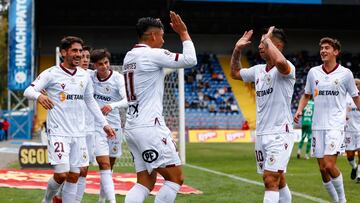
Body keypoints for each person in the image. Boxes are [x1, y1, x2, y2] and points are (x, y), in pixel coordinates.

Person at [23, 36, 116, 203]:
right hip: (59, 131)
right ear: (64, 52)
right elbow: (28, 91)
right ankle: (47, 200)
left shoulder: (84, 76)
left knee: (75, 175)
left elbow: (90, 100)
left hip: (79, 133)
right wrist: (39, 96)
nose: (79, 54)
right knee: (61, 173)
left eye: (80, 51)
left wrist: (104, 124)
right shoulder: (51, 73)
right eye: (74, 50)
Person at [122, 11, 197, 203]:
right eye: (162, 36)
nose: (163, 41)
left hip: (132, 127)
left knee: (145, 181)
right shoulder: (151, 54)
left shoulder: (129, 57)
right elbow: (191, 60)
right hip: (149, 127)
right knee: (175, 178)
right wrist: (184, 33)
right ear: (154, 35)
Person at [230, 26, 295, 203]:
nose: (260, 46)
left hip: (280, 133)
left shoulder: (288, 68)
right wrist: (237, 50)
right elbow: (234, 73)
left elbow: (281, 64)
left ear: (278, 46)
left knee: (270, 179)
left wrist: (267, 40)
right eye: (260, 42)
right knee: (278, 180)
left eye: (264, 42)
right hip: (261, 134)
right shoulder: (258, 70)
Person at [294, 37, 360, 203]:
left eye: (327, 48)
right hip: (317, 126)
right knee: (323, 169)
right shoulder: (313, 72)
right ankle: (335, 200)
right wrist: (299, 110)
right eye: (322, 48)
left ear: (335, 52)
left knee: (330, 165)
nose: (323, 50)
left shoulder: (346, 74)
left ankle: (342, 200)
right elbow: (306, 95)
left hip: (335, 126)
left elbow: (356, 97)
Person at [90, 48, 128, 203]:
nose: (104, 66)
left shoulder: (118, 78)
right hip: (96, 126)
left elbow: (128, 100)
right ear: (94, 66)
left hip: (114, 126)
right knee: (103, 163)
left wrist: (112, 105)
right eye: (100, 64)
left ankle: (101, 199)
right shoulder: (89, 76)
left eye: (106, 62)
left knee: (108, 168)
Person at [344, 78, 360, 182]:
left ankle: (359, 175)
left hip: (359, 130)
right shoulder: (345, 97)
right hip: (348, 130)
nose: (355, 86)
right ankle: (354, 167)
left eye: (357, 84)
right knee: (350, 155)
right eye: (354, 84)